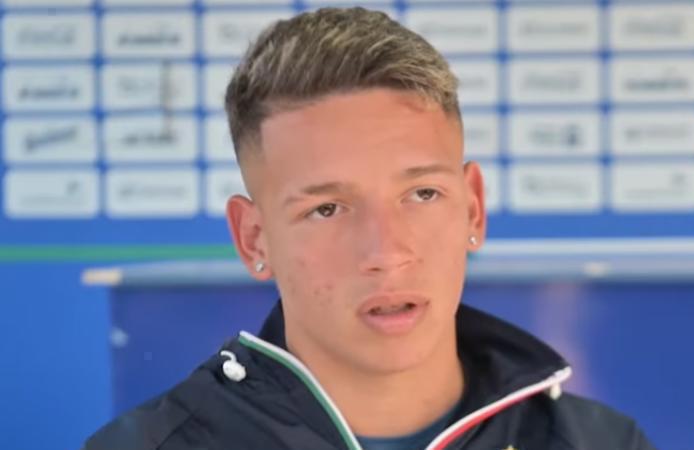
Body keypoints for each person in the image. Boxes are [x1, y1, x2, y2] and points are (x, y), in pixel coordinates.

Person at [85, 7, 656, 450]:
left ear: (473, 209)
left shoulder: (602, 444)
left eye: (422, 194)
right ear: (254, 239)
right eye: (327, 209)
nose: (386, 251)